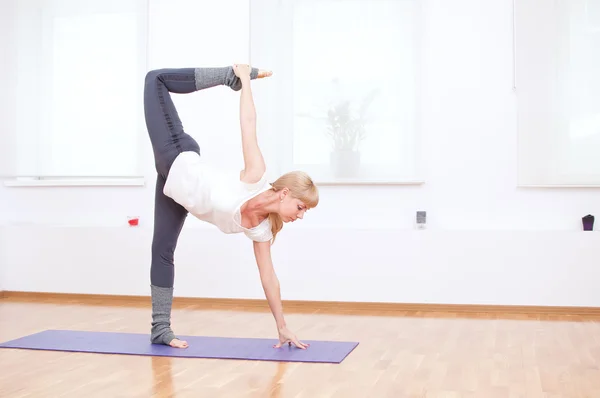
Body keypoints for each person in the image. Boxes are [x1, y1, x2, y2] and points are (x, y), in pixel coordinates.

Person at [143, 64, 319, 350]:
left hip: (175, 191)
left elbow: (269, 279)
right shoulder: (255, 178)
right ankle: (227, 75)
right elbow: (248, 124)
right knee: (155, 79)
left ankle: (160, 329)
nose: (301, 215)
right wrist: (244, 82)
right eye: (301, 207)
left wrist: (282, 326)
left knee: (161, 252)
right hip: (176, 154)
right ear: (285, 193)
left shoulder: (262, 230)